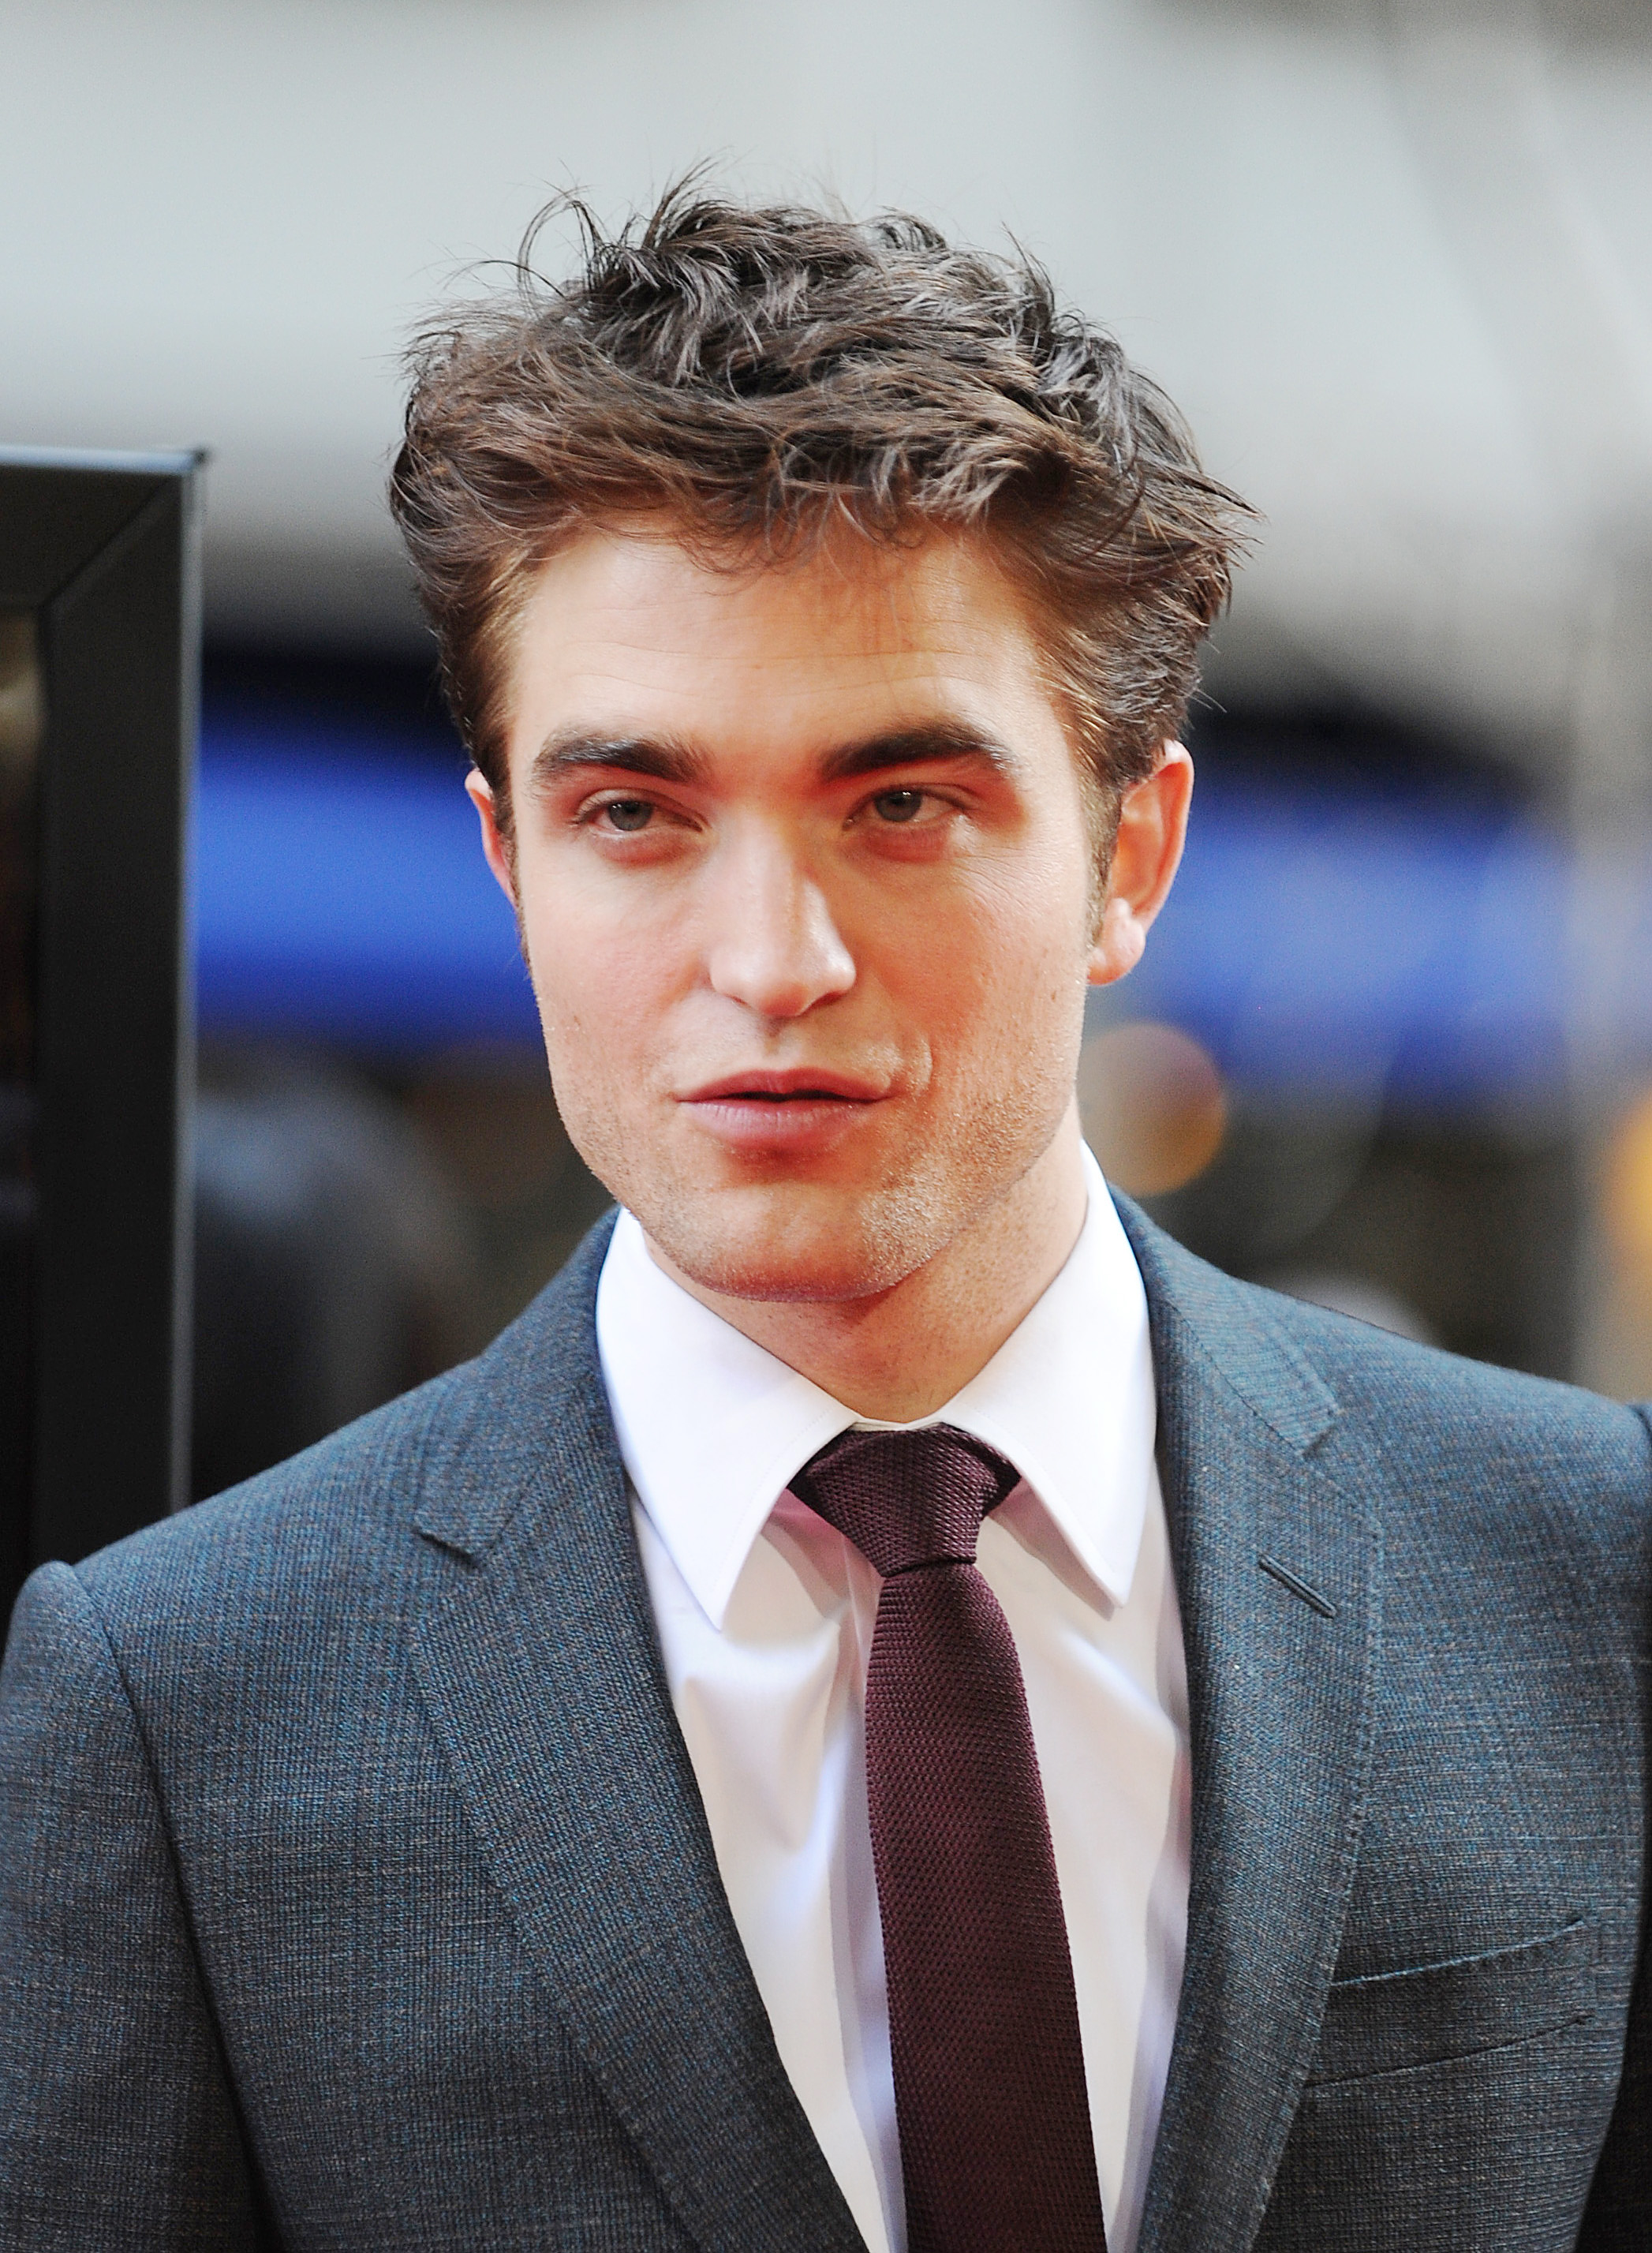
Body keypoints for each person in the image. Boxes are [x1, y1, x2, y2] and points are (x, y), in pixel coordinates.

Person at [1, 189, 1647, 2253]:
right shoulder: (181, 1712)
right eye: (635, 814)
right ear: (510, 865)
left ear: (1131, 854)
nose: (772, 960)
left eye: (902, 806)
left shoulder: (1594, 1572)